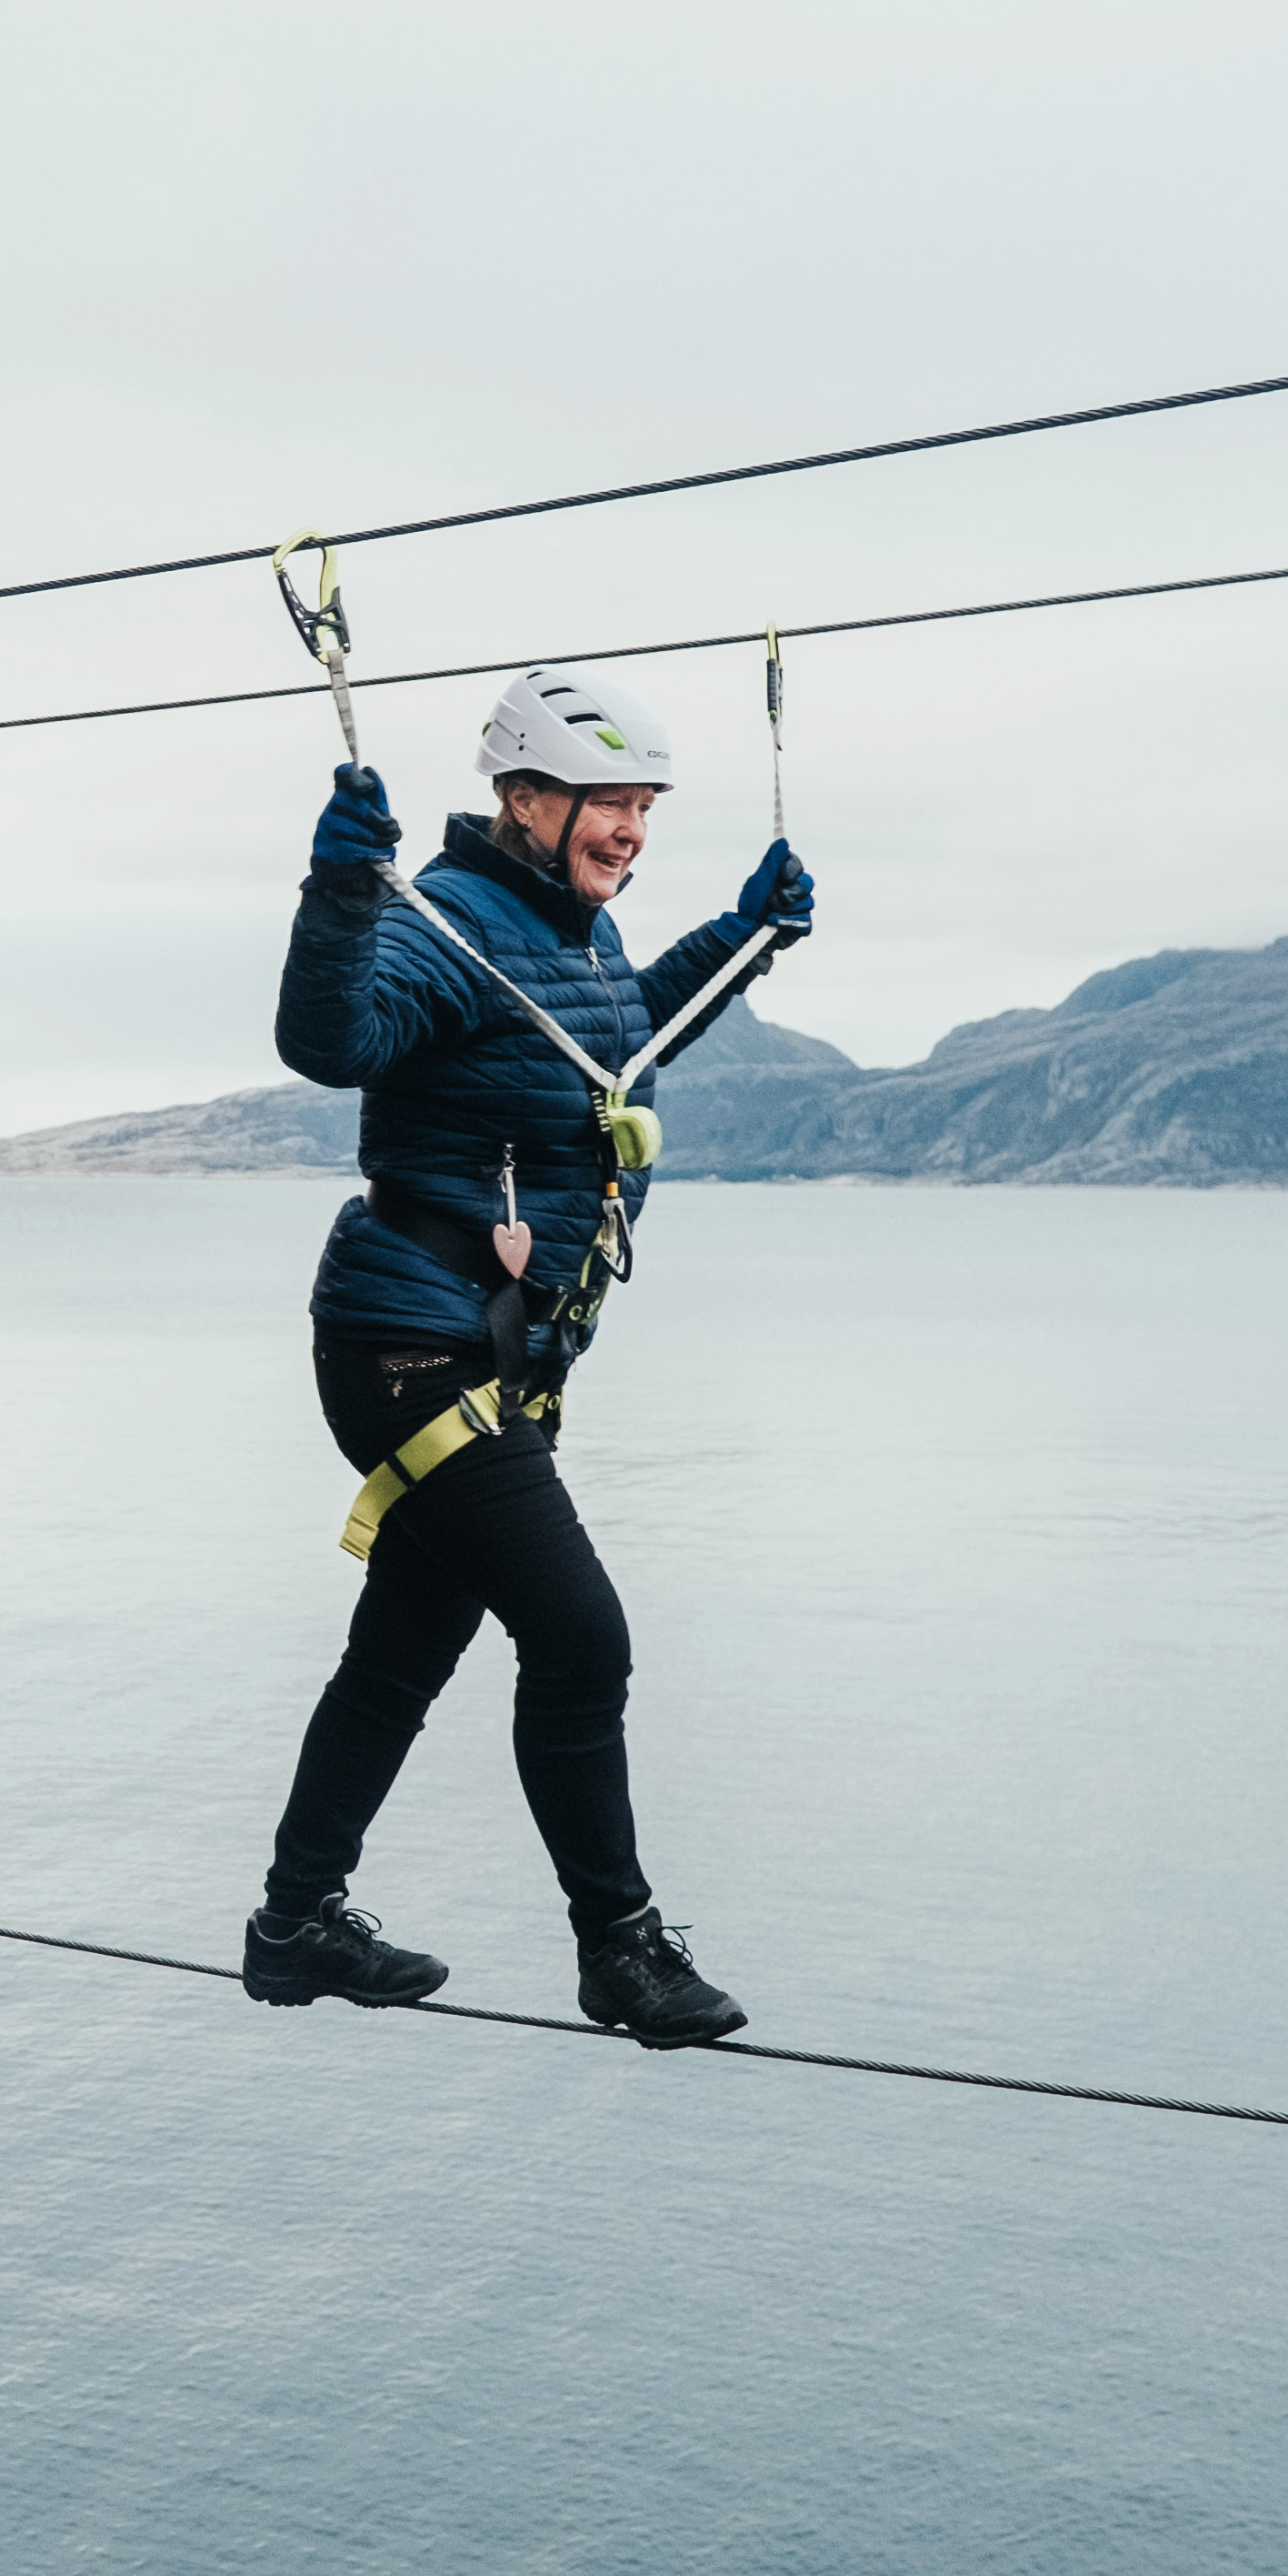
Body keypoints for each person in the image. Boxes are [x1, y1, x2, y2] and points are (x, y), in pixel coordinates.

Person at [239, 666, 816, 2040]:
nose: (630, 828)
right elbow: (329, 1041)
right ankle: (619, 1950)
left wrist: (747, 934)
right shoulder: (440, 926)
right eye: (607, 802)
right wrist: (335, 894)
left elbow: (622, 1040)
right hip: (409, 1346)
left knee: (402, 1655)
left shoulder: (577, 935)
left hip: (490, 1357)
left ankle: (292, 1923)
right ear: (523, 798)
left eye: (642, 804)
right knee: (579, 1638)